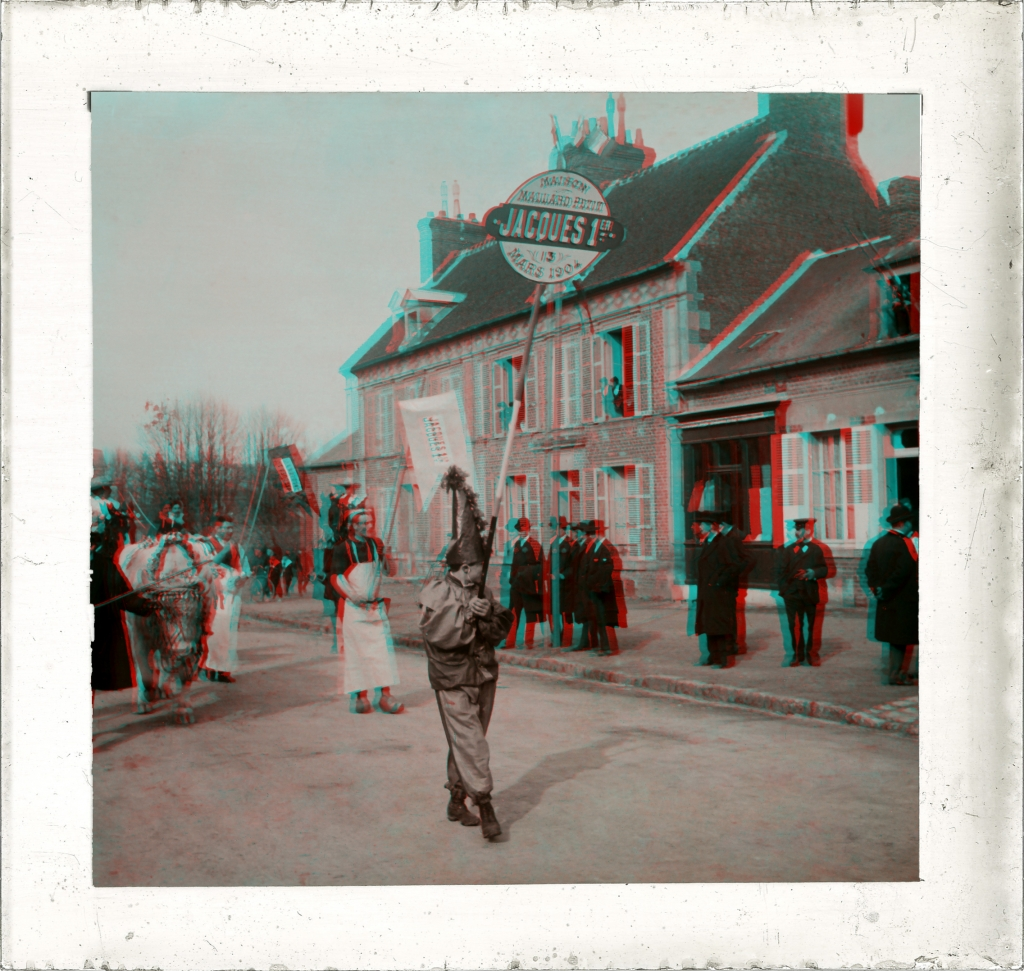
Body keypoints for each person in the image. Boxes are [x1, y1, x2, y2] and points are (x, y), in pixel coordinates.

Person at [418, 467, 513, 840]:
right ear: (466, 566)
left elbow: (501, 628)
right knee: (473, 743)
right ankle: (486, 806)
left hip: (484, 675)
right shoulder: (438, 592)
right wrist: (467, 616)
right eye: (480, 566)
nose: (483, 572)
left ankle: (456, 800)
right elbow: (439, 635)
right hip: (453, 679)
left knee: (467, 741)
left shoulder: (482, 592)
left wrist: (487, 615)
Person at [330, 507, 403, 713]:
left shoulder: (375, 544)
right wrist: (353, 597)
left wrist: (385, 555)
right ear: (351, 526)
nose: (365, 526)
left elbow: (389, 572)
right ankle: (360, 697)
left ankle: (385, 696)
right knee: (357, 653)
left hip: (374, 608)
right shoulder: (342, 548)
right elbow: (335, 578)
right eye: (360, 523)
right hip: (353, 609)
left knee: (381, 653)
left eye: (368, 522)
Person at [91, 512, 156, 699]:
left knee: (90, 678)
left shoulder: (104, 566)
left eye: (91, 543)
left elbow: (123, 595)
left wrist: (147, 605)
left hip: (99, 630)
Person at [865, 503, 919, 686]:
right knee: (901, 638)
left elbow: (869, 570)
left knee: (895, 640)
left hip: (885, 599)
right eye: (910, 521)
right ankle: (897, 675)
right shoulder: (905, 543)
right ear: (903, 523)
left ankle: (897, 673)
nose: (912, 525)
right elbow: (903, 571)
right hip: (903, 599)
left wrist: (877, 589)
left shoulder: (878, 543)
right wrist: (887, 588)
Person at [693, 511, 746, 668]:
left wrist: (716, 582)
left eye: (702, 524)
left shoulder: (724, 542)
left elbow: (732, 566)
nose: (699, 527)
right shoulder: (708, 542)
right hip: (707, 591)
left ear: (712, 526)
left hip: (719, 592)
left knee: (719, 625)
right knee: (709, 623)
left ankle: (723, 658)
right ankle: (713, 655)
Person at [202, 514, 251, 683]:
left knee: (229, 633)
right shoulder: (208, 546)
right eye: (225, 527)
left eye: (231, 527)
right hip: (214, 595)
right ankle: (209, 668)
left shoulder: (237, 547)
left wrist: (242, 579)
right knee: (214, 631)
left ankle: (224, 670)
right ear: (217, 529)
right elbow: (206, 568)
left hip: (233, 595)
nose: (229, 531)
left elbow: (246, 570)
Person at [775, 518, 829, 667]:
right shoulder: (786, 549)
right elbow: (778, 572)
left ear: (809, 531)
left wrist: (812, 573)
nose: (799, 533)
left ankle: (811, 654)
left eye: (803, 530)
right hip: (791, 594)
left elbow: (824, 569)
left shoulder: (816, 549)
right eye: (797, 530)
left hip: (809, 592)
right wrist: (784, 590)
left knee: (810, 625)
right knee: (794, 625)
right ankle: (796, 655)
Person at [576, 520, 621, 655]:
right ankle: (601, 646)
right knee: (597, 617)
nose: (588, 536)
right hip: (594, 589)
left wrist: (594, 583)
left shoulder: (605, 547)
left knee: (603, 619)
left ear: (596, 533)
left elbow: (606, 569)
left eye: (590, 533)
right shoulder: (595, 547)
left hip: (601, 590)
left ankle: (607, 647)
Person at [506, 517, 545, 649]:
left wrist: (531, 579)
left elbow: (540, 566)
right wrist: (512, 578)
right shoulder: (517, 544)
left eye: (524, 529)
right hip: (516, 584)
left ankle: (529, 642)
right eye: (519, 530)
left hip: (529, 584)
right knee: (513, 612)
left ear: (529, 529)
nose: (522, 532)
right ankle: (510, 642)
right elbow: (514, 564)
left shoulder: (535, 544)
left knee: (530, 613)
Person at [548, 516, 575, 647]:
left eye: (559, 528)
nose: (556, 530)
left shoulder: (570, 544)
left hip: (566, 584)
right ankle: (556, 638)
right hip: (554, 585)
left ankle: (567, 640)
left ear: (564, 529)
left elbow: (573, 566)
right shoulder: (554, 543)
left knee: (566, 612)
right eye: (555, 528)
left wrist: (562, 575)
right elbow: (550, 562)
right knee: (555, 612)